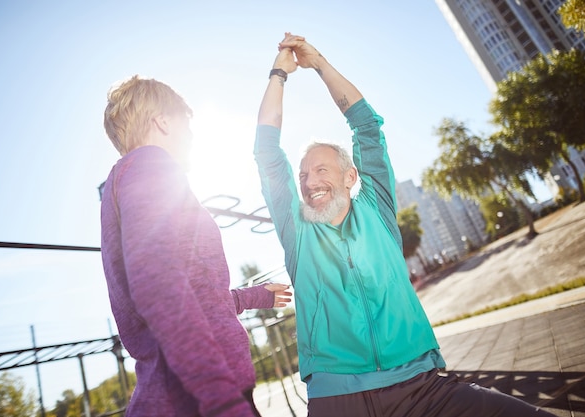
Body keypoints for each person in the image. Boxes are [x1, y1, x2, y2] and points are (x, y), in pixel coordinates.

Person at [254, 33, 556, 417]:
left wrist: (320, 65)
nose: (309, 182)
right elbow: (266, 150)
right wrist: (278, 73)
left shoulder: (377, 209)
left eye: (321, 170)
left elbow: (367, 127)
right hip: (337, 400)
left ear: (350, 177)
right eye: (303, 175)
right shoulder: (297, 230)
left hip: (422, 389)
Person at [100, 75, 292, 416]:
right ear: (162, 122)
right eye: (185, 124)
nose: (191, 135)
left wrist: (254, 296)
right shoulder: (149, 166)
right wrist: (219, 398)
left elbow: (195, 295)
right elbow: (159, 288)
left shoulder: (131, 179)